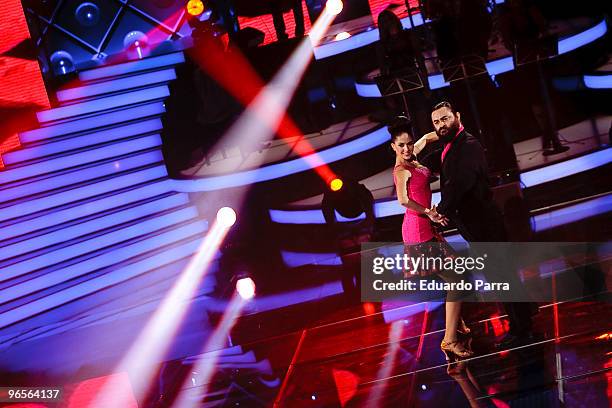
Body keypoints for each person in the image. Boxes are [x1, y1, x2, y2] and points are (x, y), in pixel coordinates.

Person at [430, 101, 537, 349]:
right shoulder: (451, 146)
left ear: (457, 116)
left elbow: (461, 183)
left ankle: (521, 329)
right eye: (436, 122)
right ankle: (526, 315)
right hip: (476, 224)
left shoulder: (466, 145)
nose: (441, 125)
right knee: (502, 274)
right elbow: (437, 166)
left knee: (501, 276)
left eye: (445, 119)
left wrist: (440, 210)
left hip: (484, 223)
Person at [389, 118, 473, 362]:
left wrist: (454, 130)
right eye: (401, 145)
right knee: (457, 280)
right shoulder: (402, 170)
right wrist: (429, 212)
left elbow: (426, 138)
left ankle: (456, 324)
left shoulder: (412, 156)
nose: (407, 149)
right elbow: (403, 200)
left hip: (426, 227)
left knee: (455, 275)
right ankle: (449, 340)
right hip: (419, 231)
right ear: (393, 147)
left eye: (409, 144)